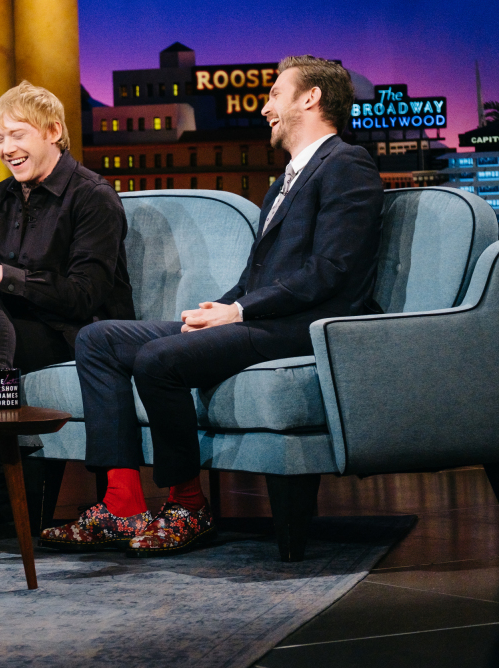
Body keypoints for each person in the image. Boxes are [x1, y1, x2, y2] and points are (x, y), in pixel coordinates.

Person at [44, 55, 384, 555]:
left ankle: (187, 506)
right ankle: (121, 504)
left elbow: (329, 271)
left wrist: (240, 312)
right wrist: (216, 308)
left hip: (306, 325)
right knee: (99, 339)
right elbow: (254, 277)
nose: (266, 108)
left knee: (158, 359)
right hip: (267, 314)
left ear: (310, 98)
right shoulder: (285, 181)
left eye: (274, 94)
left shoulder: (347, 165)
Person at [0, 80, 135, 543]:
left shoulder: (92, 196)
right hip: (8, 331)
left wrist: (1, 277)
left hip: (75, 330)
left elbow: (86, 295)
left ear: (53, 131)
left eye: (17, 135)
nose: (6, 148)